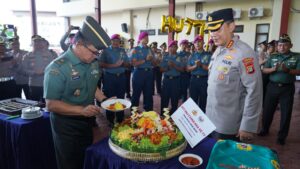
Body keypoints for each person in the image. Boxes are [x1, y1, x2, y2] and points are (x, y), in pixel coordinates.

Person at [43, 16, 111, 169]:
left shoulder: (91, 62)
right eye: (94, 52)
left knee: (84, 158)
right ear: (79, 44)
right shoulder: (57, 68)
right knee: (69, 163)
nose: (96, 56)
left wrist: (105, 100)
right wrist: (81, 110)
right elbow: (51, 104)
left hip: (86, 121)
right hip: (66, 124)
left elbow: (92, 85)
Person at [205, 8, 263, 142]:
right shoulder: (219, 50)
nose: (213, 34)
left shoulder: (244, 53)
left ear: (231, 26)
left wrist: (248, 125)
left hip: (229, 126)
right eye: (211, 30)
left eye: (217, 29)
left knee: (226, 162)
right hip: (211, 120)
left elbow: (254, 91)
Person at [259, 34, 300, 145]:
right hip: (272, 87)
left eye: (285, 45)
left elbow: (299, 71)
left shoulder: (297, 56)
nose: (282, 47)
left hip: (287, 88)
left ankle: (282, 136)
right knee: (267, 111)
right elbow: (264, 70)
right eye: (280, 45)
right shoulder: (272, 57)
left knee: (286, 113)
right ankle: (265, 129)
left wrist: (288, 71)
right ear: (277, 46)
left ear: (290, 45)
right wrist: (272, 69)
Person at [99, 34, 129, 127]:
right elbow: (100, 64)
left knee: (121, 97)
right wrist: (114, 65)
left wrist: (124, 64)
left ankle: (120, 118)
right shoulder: (105, 51)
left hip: (121, 77)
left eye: (117, 41)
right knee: (110, 98)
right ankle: (110, 119)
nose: (116, 42)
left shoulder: (122, 51)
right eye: (114, 40)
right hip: (109, 77)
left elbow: (128, 64)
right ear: (111, 41)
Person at [22, 36, 56, 102]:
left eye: (39, 42)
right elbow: (24, 70)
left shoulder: (49, 54)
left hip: (47, 83)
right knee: (35, 103)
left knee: (47, 103)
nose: (37, 44)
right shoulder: (27, 56)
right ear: (32, 44)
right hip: (34, 84)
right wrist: (34, 72)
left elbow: (54, 66)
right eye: (35, 42)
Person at [130, 32, 156, 111]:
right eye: (145, 37)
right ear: (140, 39)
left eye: (148, 37)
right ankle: (134, 113)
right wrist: (145, 60)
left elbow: (154, 64)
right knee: (136, 94)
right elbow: (134, 63)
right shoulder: (136, 50)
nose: (147, 39)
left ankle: (149, 112)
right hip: (139, 73)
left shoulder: (150, 50)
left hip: (149, 73)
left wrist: (153, 60)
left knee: (148, 94)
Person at [187, 35, 211, 112]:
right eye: (196, 42)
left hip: (204, 80)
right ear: (194, 44)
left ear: (203, 43)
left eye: (199, 42)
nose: (197, 44)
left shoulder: (208, 55)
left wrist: (202, 65)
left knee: (203, 101)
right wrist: (195, 66)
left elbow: (211, 69)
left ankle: (202, 120)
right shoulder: (192, 56)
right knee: (192, 101)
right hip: (194, 80)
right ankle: (192, 120)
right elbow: (187, 69)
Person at [159, 40, 184, 114]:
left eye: (175, 47)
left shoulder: (180, 57)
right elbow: (160, 69)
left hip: (176, 81)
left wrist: (174, 66)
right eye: (171, 47)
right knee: (164, 99)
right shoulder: (165, 57)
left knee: (175, 100)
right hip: (166, 80)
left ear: (177, 48)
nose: (173, 48)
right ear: (169, 48)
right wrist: (168, 68)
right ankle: (163, 116)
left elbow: (182, 70)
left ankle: (173, 116)